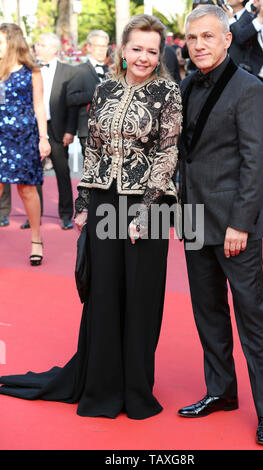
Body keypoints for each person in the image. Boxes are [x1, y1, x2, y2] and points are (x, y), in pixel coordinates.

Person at [0, 14, 182, 420]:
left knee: (140, 296)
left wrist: (145, 211)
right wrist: (83, 203)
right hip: (105, 201)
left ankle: (134, 389)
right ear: (123, 48)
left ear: (161, 53)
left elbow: (167, 153)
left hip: (148, 206)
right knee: (103, 293)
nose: (144, 57)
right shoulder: (105, 89)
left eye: (152, 50)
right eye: (137, 48)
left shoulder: (168, 92)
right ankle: (100, 385)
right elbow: (95, 147)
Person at [177, 5, 263, 445]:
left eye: (207, 37)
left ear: (225, 39)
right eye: (193, 38)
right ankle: (219, 391)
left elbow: (256, 163)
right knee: (208, 313)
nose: (199, 45)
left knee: (251, 316)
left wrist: (241, 222)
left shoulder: (249, 88)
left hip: (234, 225)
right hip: (193, 219)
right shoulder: (185, 84)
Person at [0, 23, 50, 264]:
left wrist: (43, 137)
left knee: (27, 189)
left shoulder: (32, 70)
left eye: (1, 42)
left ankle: (36, 239)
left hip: (25, 137)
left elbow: (39, 105)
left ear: (12, 43)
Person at [21, 33, 77, 231]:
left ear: (54, 49)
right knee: (33, 173)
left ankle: (66, 215)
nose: (38, 47)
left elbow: (72, 105)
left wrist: (70, 131)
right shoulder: (28, 69)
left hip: (57, 129)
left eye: (43, 44)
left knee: (62, 172)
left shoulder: (69, 71)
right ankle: (33, 215)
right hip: (32, 128)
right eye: (37, 43)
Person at [67, 30, 110, 160]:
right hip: (87, 129)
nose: (102, 50)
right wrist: (95, 94)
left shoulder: (113, 71)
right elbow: (71, 98)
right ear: (89, 47)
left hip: (111, 131)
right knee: (91, 173)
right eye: (98, 46)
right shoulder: (78, 70)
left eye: (104, 46)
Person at [221, 0, 253, 68]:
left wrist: (232, 20)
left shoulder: (250, 18)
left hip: (240, 66)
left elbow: (242, 38)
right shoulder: (226, 17)